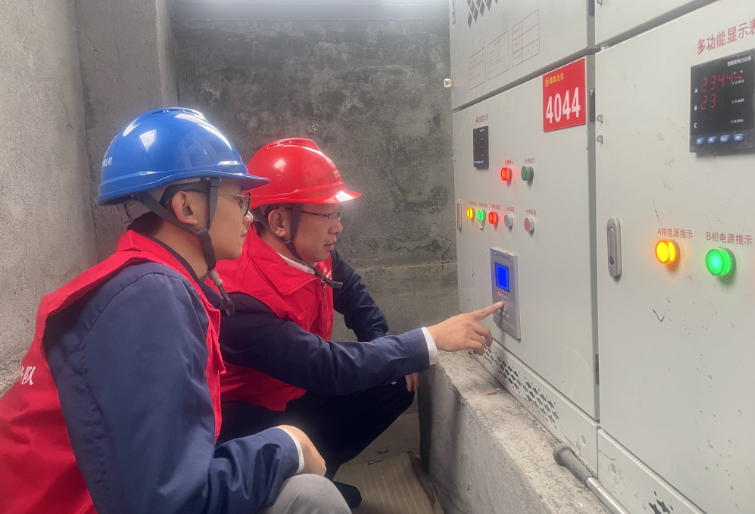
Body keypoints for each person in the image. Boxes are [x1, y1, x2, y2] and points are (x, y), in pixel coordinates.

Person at [0, 110, 349, 514]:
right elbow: (169, 501)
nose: (248, 215)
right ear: (187, 207)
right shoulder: (148, 298)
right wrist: (288, 444)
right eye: (240, 199)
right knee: (312, 498)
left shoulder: (147, 282)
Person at [214, 138, 501, 508]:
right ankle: (287, 489)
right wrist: (428, 339)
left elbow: (352, 291)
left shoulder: (309, 252)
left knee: (394, 383)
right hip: (247, 419)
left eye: (337, 214)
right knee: (386, 365)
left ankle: (320, 476)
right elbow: (326, 367)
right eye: (328, 215)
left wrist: (380, 340)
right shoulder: (238, 297)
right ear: (280, 221)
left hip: (295, 392)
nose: (338, 228)